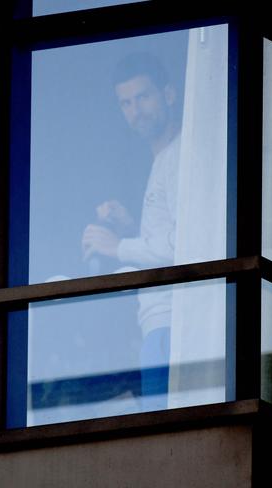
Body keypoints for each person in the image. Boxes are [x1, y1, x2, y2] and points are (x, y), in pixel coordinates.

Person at [81, 52, 180, 411]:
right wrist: (131, 230)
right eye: (126, 102)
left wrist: (119, 245)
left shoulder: (179, 155)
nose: (135, 110)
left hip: (171, 325)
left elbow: (186, 245)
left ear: (168, 94)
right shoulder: (163, 159)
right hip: (157, 327)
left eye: (143, 97)